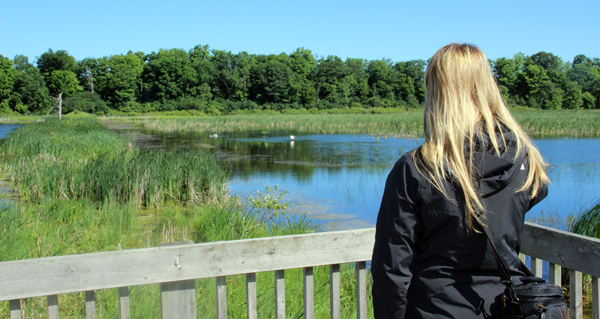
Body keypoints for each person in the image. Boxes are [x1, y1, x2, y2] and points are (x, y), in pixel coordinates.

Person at [370, 43, 549, 319]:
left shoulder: (416, 168)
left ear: (437, 94)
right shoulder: (524, 160)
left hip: (435, 309)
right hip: (504, 308)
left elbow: (391, 271)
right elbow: (531, 197)